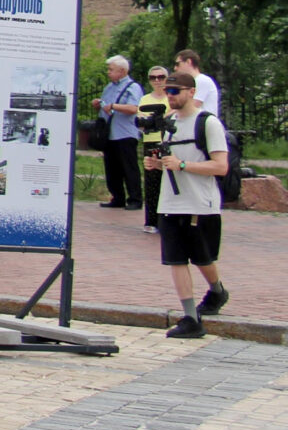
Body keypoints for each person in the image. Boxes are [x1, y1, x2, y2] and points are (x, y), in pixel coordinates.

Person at [145, 70, 231, 337]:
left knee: (203, 258)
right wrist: (157, 164)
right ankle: (191, 318)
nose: (169, 96)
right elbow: (170, 159)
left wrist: (183, 165)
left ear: (191, 92)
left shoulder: (208, 123)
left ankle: (216, 290)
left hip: (200, 204)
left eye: (175, 92)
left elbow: (221, 166)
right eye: (167, 92)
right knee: (176, 260)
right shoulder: (168, 124)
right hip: (170, 203)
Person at [97, 56, 145, 210]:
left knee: (129, 168)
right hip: (110, 134)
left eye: (111, 69)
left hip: (125, 133)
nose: (108, 72)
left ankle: (135, 199)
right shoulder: (109, 87)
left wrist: (114, 106)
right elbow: (105, 106)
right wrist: (98, 104)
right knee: (112, 168)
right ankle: (117, 197)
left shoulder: (133, 87)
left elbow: (133, 108)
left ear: (122, 71)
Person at [138, 65, 171, 235]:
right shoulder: (145, 99)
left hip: (166, 141)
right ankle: (151, 220)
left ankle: (167, 218)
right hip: (150, 142)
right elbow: (142, 122)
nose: (157, 80)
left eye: (161, 77)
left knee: (168, 179)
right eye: (153, 77)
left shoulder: (170, 98)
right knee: (151, 181)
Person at [174, 49, 220, 117]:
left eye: (177, 64)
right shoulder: (193, 82)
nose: (175, 68)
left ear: (188, 62)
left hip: (203, 125)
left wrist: (167, 116)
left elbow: (192, 106)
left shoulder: (201, 80)